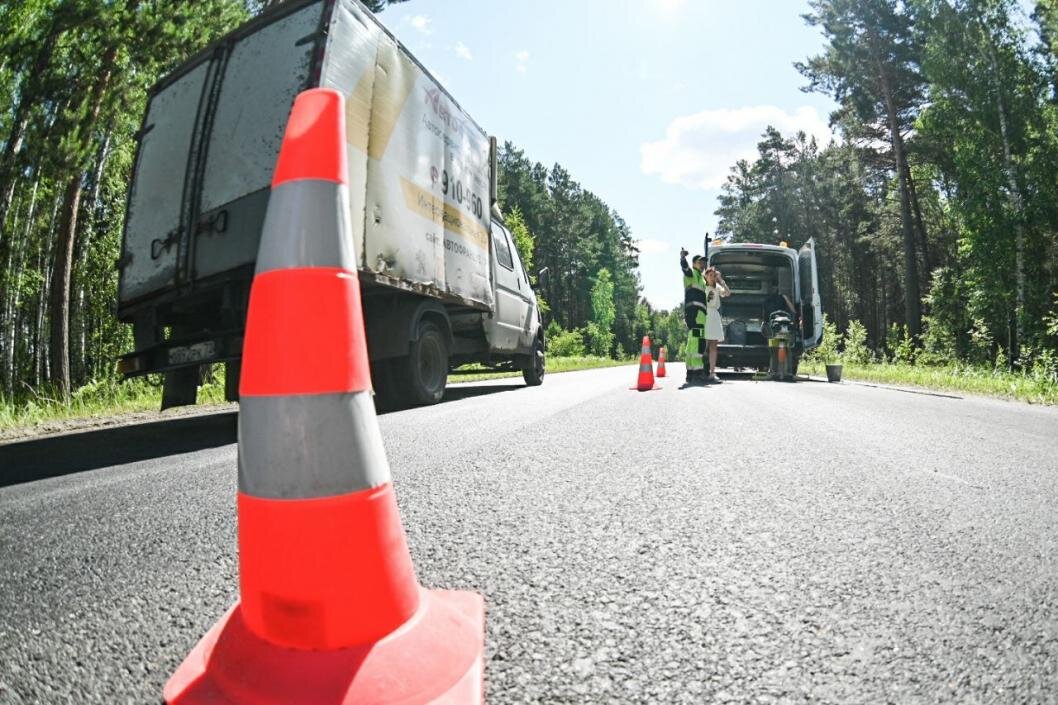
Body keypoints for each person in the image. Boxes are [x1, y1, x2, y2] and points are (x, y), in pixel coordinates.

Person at [680, 248, 708, 386]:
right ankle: (697, 373)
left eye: (704, 262)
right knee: (698, 344)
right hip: (695, 315)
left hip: (699, 315)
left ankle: (691, 373)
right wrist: (682, 258)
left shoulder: (701, 278)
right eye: (700, 262)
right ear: (694, 263)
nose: (703, 264)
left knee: (693, 342)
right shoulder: (691, 274)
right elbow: (685, 269)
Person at [703, 266, 730, 384]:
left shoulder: (718, 287)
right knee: (704, 345)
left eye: (714, 276)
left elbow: (728, 293)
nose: (712, 277)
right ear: (706, 276)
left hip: (714, 315)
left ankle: (712, 373)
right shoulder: (702, 286)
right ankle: (700, 371)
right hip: (704, 315)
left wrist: (721, 280)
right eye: (710, 275)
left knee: (714, 346)